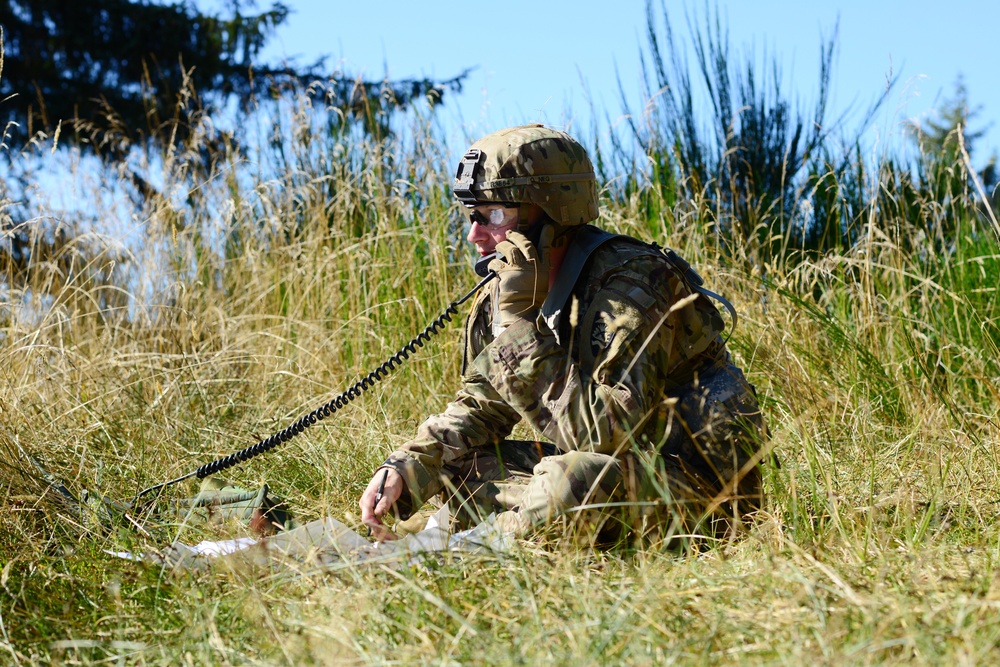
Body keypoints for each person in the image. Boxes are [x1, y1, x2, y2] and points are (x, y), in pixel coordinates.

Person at [359, 124, 767, 543]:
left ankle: (463, 546)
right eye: (471, 215)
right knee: (453, 463)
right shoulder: (505, 293)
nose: (474, 235)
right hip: (612, 477)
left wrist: (518, 328)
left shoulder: (633, 286)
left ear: (549, 213)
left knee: (565, 481)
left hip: (702, 492)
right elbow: (483, 406)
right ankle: (497, 532)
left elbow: (607, 436)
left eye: (494, 214)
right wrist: (406, 466)